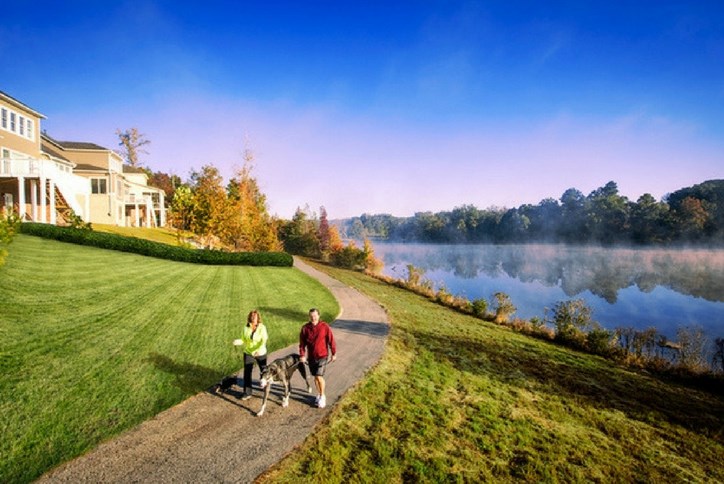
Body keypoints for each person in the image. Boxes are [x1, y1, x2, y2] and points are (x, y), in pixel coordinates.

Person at [299, 308, 336, 408]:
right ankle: (319, 394)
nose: (313, 318)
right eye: (311, 316)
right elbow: (302, 344)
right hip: (311, 357)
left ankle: (322, 396)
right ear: (309, 317)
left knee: (319, 376)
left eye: (315, 316)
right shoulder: (305, 328)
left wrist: (333, 353)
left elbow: (331, 340)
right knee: (315, 377)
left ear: (319, 316)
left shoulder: (324, 326)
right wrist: (302, 355)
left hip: (322, 355)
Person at [236, 309, 268, 400]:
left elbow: (264, 340)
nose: (253, 317)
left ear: (258, 317)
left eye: (255, 316)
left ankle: (265, 387)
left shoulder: (262, 327)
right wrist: (238, 341)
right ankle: (247, 392)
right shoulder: (246, 327)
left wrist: (258, 350)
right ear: (249, 317)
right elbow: (243, 339)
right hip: (249, 352)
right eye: (252, 316)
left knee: (263, 371)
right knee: (247, 372)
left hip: (260, 352)